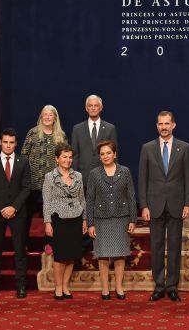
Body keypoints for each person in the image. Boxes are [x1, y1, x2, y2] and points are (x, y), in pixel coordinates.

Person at [138, 111, 189, 302]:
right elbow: (142, 179)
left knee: (175, 246)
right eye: (160, 124)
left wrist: (188, 203)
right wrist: (143, 205)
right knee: (157, 246)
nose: (164, 127)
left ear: (173, 125)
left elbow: (188, 178)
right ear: (157, 126)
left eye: (167, 123)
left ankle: (172, 286)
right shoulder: (147, 148)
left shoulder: (184, 148)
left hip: (177, 204)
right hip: (154, 204)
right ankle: (159, 285)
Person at [86, 140, 137, 300]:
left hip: (122, 218)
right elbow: (90, 200)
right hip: (101, 219)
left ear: (115, 154)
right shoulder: (94, 174)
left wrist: (133, 219)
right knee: (102, 255)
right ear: (99, 157)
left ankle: (119, 287)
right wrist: (90, 223)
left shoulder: (125, 171)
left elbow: (131, 196)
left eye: (108, 153)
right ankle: (105, 289)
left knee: (120, 254)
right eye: (102, 154)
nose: (105, 156)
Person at [0, 128, 31, 300]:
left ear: (16, 144)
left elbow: (26, 188)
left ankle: (21, 287)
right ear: (0, 143)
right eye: (5, 142)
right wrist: (3, 208)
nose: (8, 145)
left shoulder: (23, 162)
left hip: (18, 213)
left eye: (11, 142)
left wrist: (14, 207)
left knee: (20, 251)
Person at [43, 144, 87, 300]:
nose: (68, 160)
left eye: (70, 157)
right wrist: (47, 222)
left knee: (71, 255)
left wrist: (85, 219)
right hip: (58, 220)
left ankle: (66, 286)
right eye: (64, 157)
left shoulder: (78, 176)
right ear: (57, 159)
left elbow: (82, 199)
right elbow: (46, 201)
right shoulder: (50, 177)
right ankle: (58, 287)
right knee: (60, 256)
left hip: (76, 218)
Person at [21, 105, 66, 252]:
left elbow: (65, 158)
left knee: (53, 214)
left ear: (55, 118)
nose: (47, 117)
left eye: (50, 115)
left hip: (53, 182)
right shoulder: (33, 133)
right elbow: (23, 156)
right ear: (41, 117)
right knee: (27, 215)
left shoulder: (61, 136)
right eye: (44, 114)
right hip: (33, 181)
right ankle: (23, 243)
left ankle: (50, 243)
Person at [71, 94, 118, 190]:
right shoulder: (77, 129)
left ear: (101, 108)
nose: (93, 108)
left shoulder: (110, 128)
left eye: (96, 106)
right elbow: (74, 156)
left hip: (105, 179)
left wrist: (114, 178)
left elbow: (114, 155)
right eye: (90, 105)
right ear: (86, 108)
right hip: (82, 180)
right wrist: (75, 179)